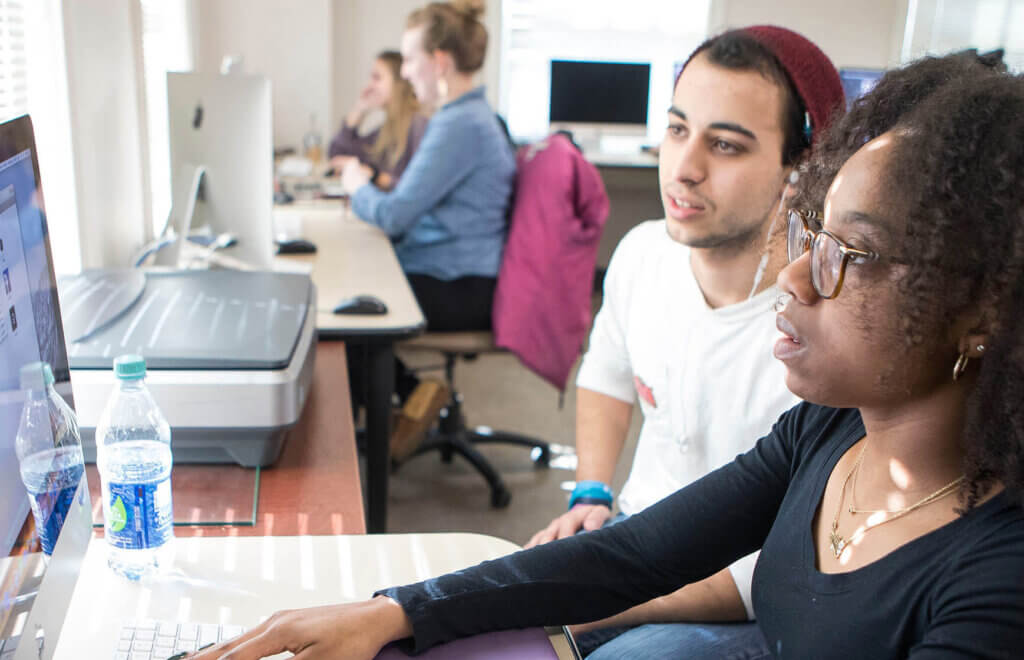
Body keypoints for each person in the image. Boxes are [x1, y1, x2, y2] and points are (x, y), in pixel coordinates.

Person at [192, 67, 1024, 660]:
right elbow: (630, 555)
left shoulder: (996, 588)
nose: (798, 276)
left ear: (984, 309)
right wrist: (396, 612)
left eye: (855, 253)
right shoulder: (830, 433)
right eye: (812, 234)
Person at [526, 26, 844, 657]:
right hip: (643, 541)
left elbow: (783, 564)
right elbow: (608, 376)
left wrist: (600, 595)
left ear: (800, 167)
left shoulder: (824, 324)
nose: (684, 167)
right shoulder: (644, 252)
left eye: (724, 145)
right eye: (677, 130)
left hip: (753, 590)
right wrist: (591, 493)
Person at [340, 0, 515, 459]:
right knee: (352, 300)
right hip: (452, 273)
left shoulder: (460, 125)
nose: (407, 74)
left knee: (351, 319)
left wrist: (357, 185)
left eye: (411, 60)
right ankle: (408, 402)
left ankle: (364, 454)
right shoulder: (462, 119)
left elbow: (396, 215)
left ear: (438, 62)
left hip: (460, 286)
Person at [327, 50, 428, 190]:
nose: (369, 86)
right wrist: (359, 109)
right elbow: (337, 155)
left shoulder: (419, 125)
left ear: (400, 82)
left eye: (377, 77)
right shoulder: (387, 130)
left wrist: (375, 177)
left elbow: (419, 188)